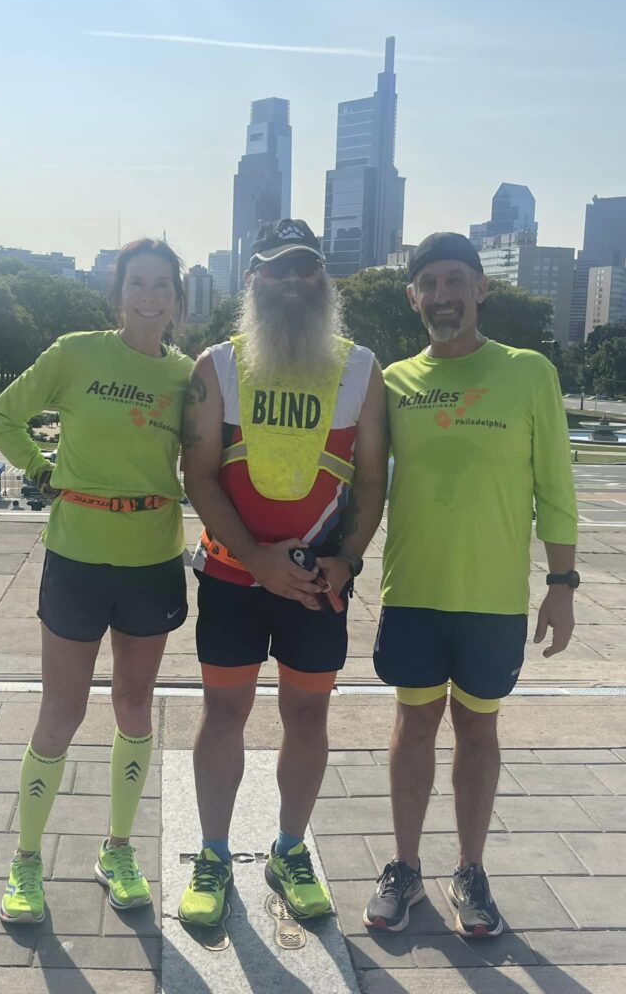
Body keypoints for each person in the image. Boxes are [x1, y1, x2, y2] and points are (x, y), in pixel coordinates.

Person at [364, 233, 578, 938]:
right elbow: (361, 484)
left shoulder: (528, 372)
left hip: (491, 598)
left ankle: (470, 870)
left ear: (482, 289)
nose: (443, 295)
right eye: (430, 284)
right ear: (413, 297)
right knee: (414, 723)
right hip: (413, 590)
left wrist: (562, 582)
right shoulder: (391, 383)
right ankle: (402, 867)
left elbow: (556, 484)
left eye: (457, 281)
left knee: (478, 727)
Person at [178, 219, 388, 927]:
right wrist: (256, 559)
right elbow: (199, 476)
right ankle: (212, 855)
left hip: (318, 583)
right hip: (235, 579)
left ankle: (288, 849)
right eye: (276, 270)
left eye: (306, 270)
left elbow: (371, 478)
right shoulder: (219, 366)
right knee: (225, 715)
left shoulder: (360, 369)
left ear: (323, 279)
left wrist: (347, 559)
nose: (293, 282)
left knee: (306, 716)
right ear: (251, 280)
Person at [0, 238, 193, 924]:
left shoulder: (189, 376)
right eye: (137, 283)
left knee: (134, 707)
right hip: (77, 554)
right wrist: (40, 470)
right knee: (62, 713)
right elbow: (4, 415)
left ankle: (118, 849)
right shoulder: (75, 352)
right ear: (118, 292)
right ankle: (25, 860)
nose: (148, 296)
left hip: (154, 557)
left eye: (162, 285)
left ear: (177, 299)